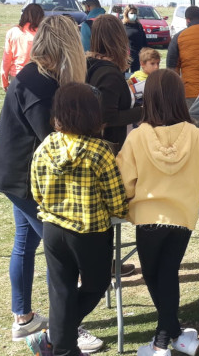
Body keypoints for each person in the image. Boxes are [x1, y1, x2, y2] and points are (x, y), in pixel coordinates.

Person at [0, 15, 104, 351]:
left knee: (24, 246)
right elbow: (53, 143)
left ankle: (24, 319)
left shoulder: (36, 77)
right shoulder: (39, 84)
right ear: (68, 46)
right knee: (63, 258)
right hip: (24, 181)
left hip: (13, 176)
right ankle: (62, 330)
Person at [117, 69, 199, 356]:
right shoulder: (196, 135)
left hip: (148, 218)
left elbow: (126, 182)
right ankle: (174, 332)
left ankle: (161, 343)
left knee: (154, 275)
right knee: (168, 273)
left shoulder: (137, 137)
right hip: (182, 217)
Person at [26, 82, 128, 356]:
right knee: (96, 285)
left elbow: (36, 190)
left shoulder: (46, 145)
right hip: (89, 233)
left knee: (62, 291)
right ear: (93, 115)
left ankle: (61, 346)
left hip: (53, 229)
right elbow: (117, 203)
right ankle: (58, 340)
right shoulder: (100, 151)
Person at [86, 14, 143, 154]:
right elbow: (107, 117)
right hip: (108, 148)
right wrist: (143, 111)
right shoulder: (109, 74)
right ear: (120, 39)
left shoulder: (89, 65)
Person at [0, 3, 44, 90]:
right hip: (38, 77)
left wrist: (4, 81)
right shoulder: (44, 33)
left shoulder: (12, 32)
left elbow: (6, 60)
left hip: (17, 76)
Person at [123, 4, 148, 73]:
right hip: (126, 56)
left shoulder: (139, 26)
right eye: (131, 13)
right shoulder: (123, 26)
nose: (133, 15)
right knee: (124, 75)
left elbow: (143, 40)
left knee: (136, 75)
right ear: (127, 14)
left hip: (137, 56)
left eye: (134, 13)